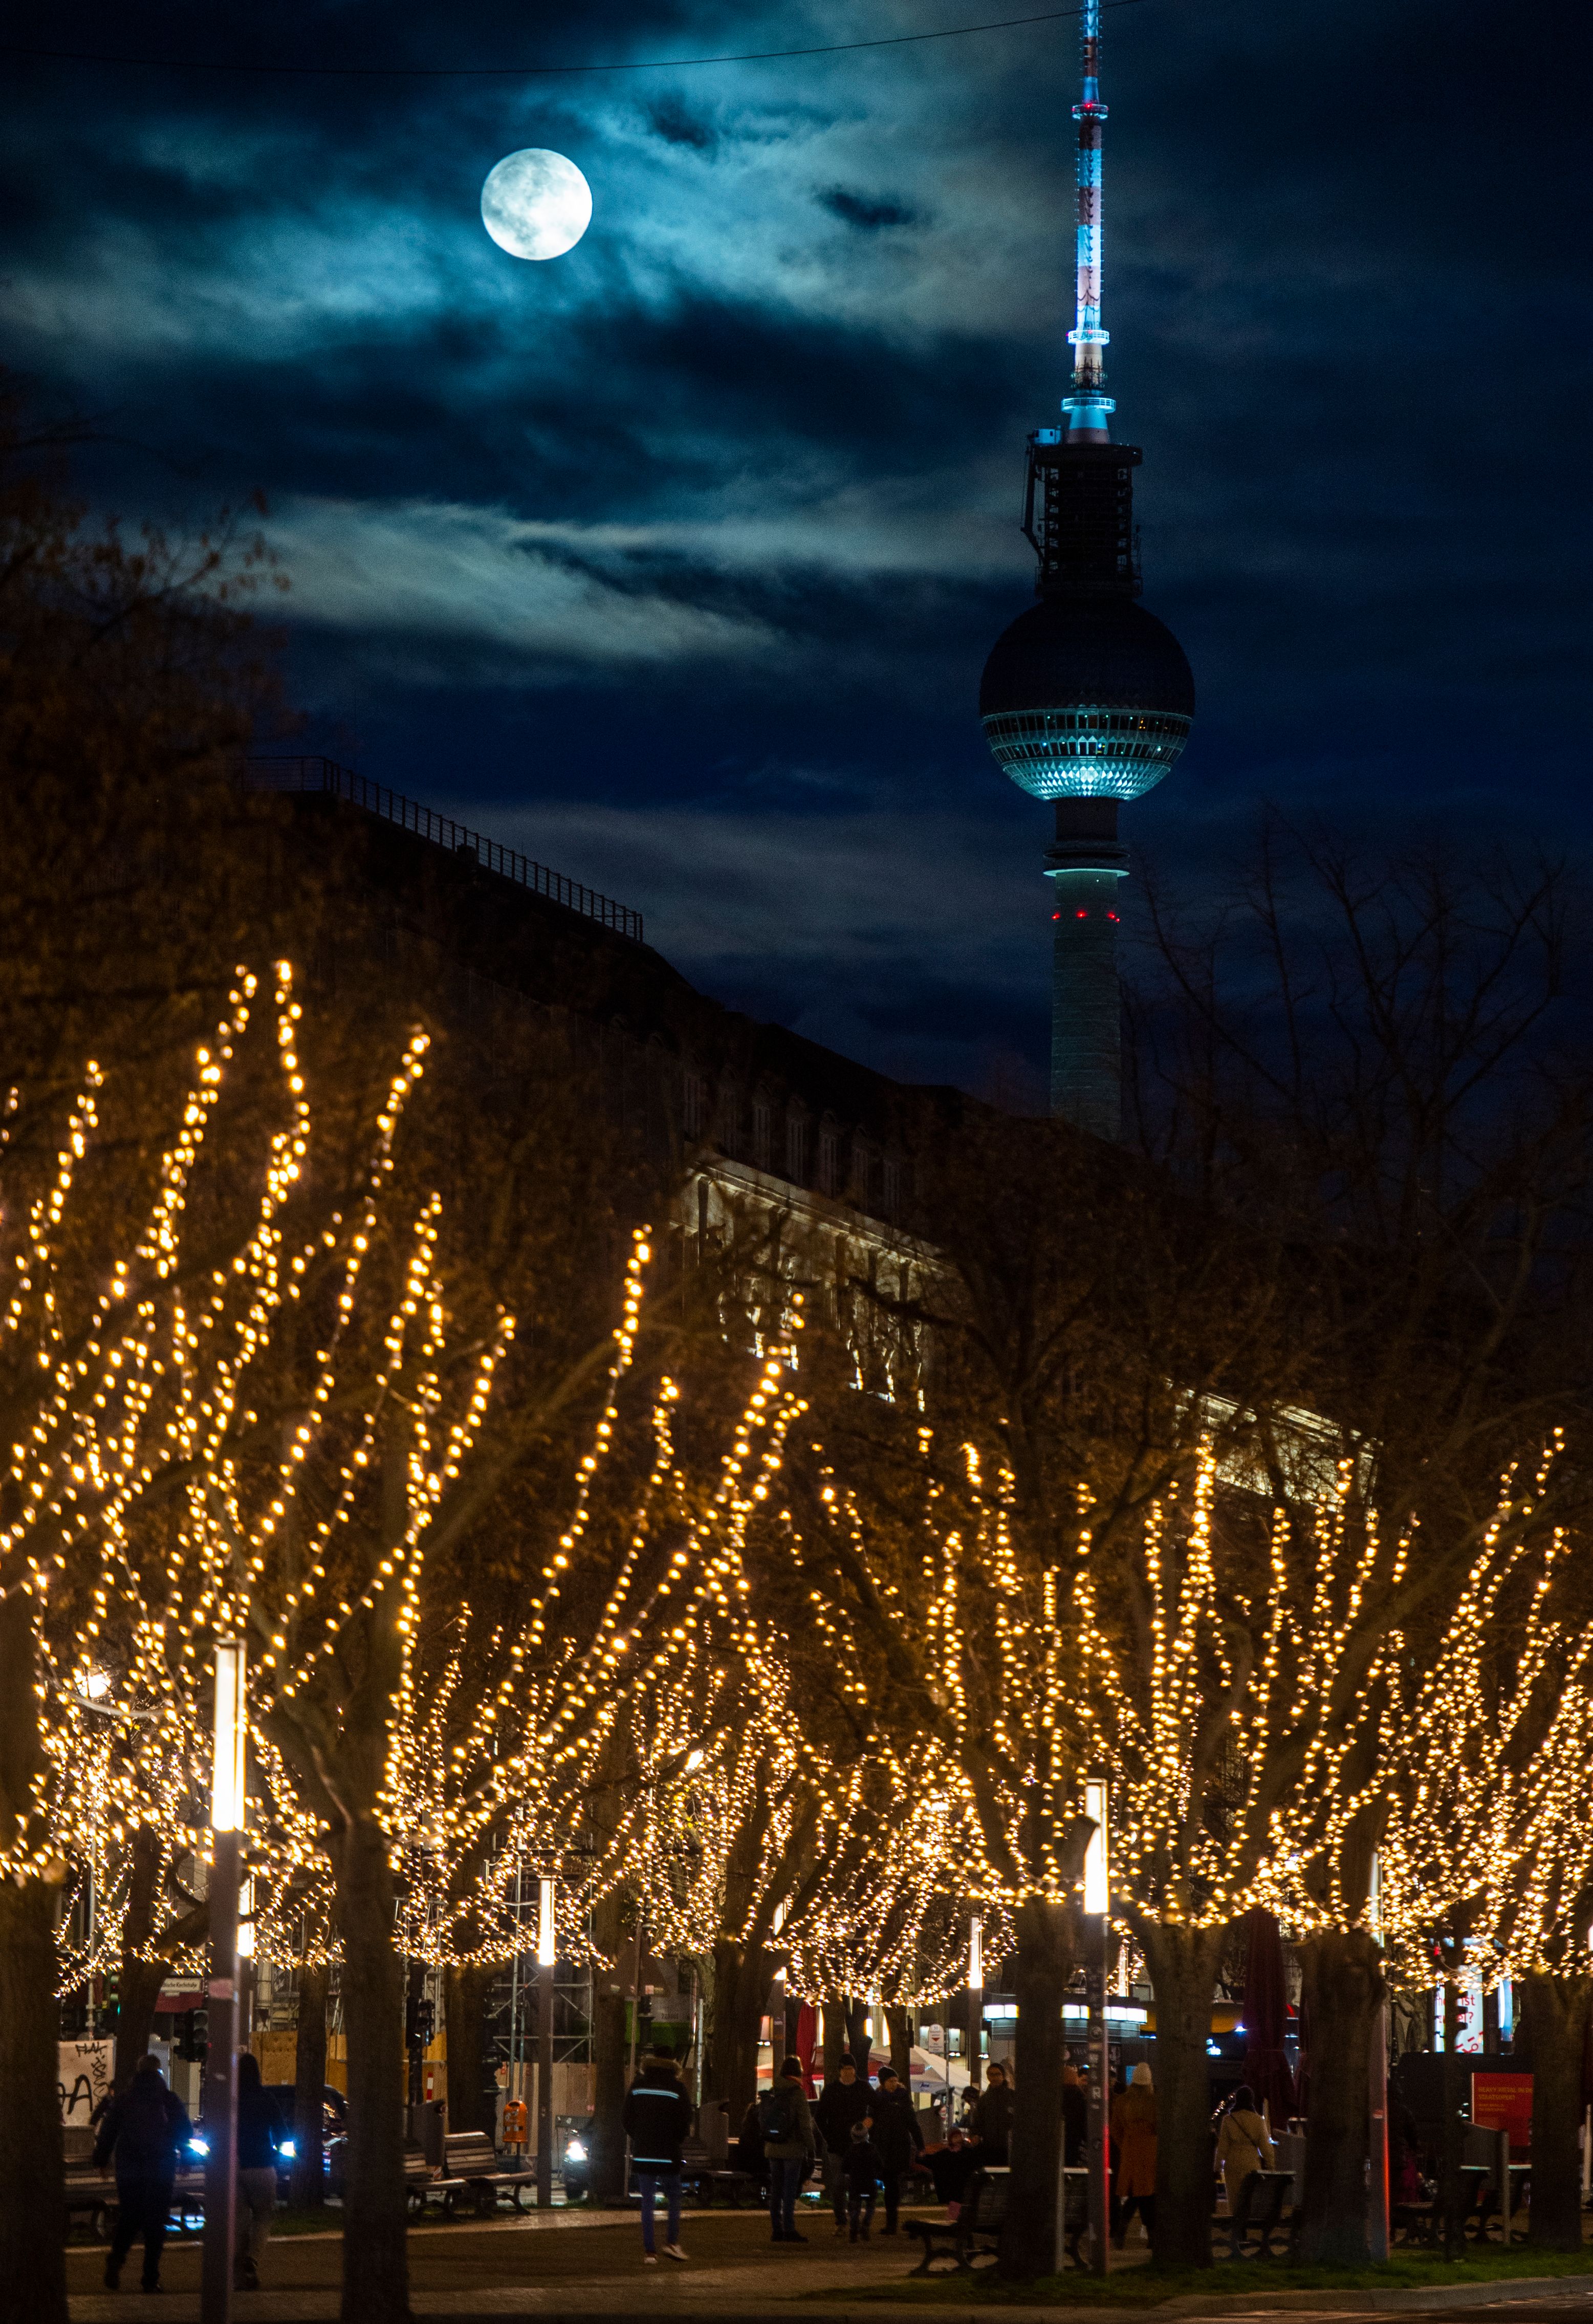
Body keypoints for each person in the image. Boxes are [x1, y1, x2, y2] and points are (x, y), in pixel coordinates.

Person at [93, 2053, 192, 2294]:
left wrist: (101, 2160)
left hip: (130, 2167)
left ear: (138, 2073)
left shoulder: (125, 2100)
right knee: (156, 2221)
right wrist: (186, 2160)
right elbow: (184, 2131)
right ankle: (150, 2277)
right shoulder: (169, 2099)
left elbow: (109, 2131)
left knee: (130, 2216)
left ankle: (116, 2259)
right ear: (159, 2073)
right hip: (161, 2165)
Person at [622, 2049, 695, 2265]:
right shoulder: (677, 2088)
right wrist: (676, 2140)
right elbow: (685, 2121)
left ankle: (650, 2253)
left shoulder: (637, 2087)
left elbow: (626, 2119)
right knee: (674, 2197)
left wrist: (639, 2137)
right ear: (673, 2064)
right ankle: (672, 2243)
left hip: (644, 2153)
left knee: (648, 2202)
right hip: (668, 2153)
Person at [234, 2054, 287, 2289]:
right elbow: (283, 2134)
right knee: (264, 2216)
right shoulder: (266, 2099)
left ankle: (238, 2274)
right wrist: (277, 2152)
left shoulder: (229, 2100)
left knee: (239, 2221)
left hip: (234, 2166)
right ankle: (252, 2259)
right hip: (263, 2166)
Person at [758, 2054, 816, 2243]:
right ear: (797, 2073)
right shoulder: (797, 2093)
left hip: (773, 2148)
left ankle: (777, 2230)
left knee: (776, 2190)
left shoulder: (774, 2091)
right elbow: (805, 2124)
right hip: (793, 2149)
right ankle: (789, 2229)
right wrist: (811, 2147)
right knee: (789, 2191)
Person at [814, 2053, 873, 2239]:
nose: (849, 2072)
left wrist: (869, 2122)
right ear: (840, 2071)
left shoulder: (863, 2088)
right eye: (846, 2069)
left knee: (856, 2184)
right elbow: (820, 2118)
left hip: (858, 2145)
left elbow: (876, 2107)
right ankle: (841, 2220)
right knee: (839, 2185)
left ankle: (854, 2218)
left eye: (851, 2069)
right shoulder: (831, 2090)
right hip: (837, 2146)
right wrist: (829, 2138)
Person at [868, 2065, 925, 2234]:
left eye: (895, 2081)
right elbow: (871, 2123)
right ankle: (891, 2221)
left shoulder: (903, 2099)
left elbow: (913, 2124)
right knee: (890, 2183)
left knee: (892, 2183)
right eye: (890, 2081)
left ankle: (891, 2222)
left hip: (899, 2148)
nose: (893, 2084)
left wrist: (920, 2145)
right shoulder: (877, 2100)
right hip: (883, 2148)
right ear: (883, 2082)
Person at [1110, 2061, 1158, 2248]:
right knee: (1147, 2194)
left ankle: (1121, 2230)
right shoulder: (1155, 2102)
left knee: (1135, 2192)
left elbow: (1115, 2129)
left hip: (1130, 2150)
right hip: (1150, 2151)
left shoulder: (1122, 2101)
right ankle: (1152, 2236)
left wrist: (1125, 2145)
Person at [1214, 2084, 1274, 2221]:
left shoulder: (1228, 2120)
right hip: (1252, 2163)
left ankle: (1238, 2229)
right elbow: (1266, 2147)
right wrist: (1271, 2167)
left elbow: (1222, 2148)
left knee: (1235, 2201)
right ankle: (1246, 2227)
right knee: (1249, 2199)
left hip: (1233, 2163)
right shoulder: (1258, 2121)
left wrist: (1217, 2168)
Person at [841, 2120, 885, 2242]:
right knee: (870, 2206)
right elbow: (880, 2165)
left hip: (855, 2184)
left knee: (855, 2208)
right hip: (870, 2182)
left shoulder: (850, 2150)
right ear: (867, 2135)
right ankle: (866, 2225)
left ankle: (854, 2229)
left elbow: (844, 2168)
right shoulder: (873, 2149)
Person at [967, 2059, 1014, 2163]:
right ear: (988, 2077)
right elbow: (977, 2122)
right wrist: (975, 2135)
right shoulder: (984, 2100)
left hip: (1011, 2148)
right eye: (992, 2075)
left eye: (998, 2074)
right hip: (989, 2148)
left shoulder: (1013, 2097)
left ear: (1003, 2076)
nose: (995, 2077)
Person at [926, 2123, 977, 2217]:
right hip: (956, 2185)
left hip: (959, 2184)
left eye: (959, 2137)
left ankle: (953, 2217)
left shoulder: (966, 2151)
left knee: (956, 2198)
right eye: (955, 2137)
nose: (957, 2139)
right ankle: (954, 2217)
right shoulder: (948, 2154)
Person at [1062, 2062, 1087, 2168]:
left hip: (1059, 2142)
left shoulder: (1054, 2097)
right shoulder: (1081, 2097)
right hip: (1076, 2142)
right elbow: (1085, 2126)